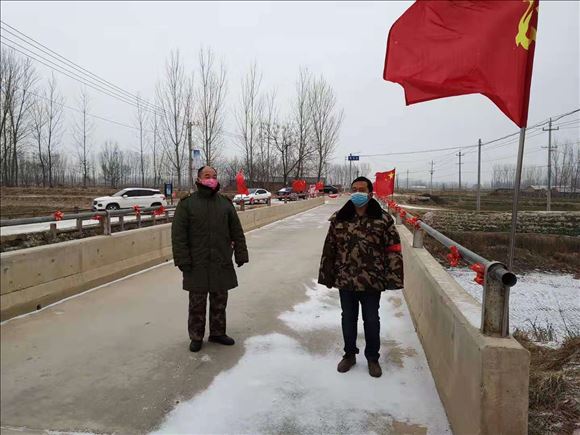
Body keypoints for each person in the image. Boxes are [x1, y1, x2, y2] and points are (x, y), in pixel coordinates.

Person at [318, 176, 404, 377]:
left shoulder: (383, 219)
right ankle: (349, 354)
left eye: (362, 189)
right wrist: (327, 276)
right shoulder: (340, 218)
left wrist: (393, 278)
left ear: (370, 193)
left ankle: (372, 358)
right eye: (355, 189)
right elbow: (329, 249)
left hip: (372, 280)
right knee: (348, 319)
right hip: (346, 279)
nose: (358, 193)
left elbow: (393, 250)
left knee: (371, 320)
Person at [172, 166, 249, 352]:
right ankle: (196, 336)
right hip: (196, 263)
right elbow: (178, 235)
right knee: (197, 303)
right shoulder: (187, 204)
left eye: (214, 176)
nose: (211, 179)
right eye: (207, 176)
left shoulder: (225, 203)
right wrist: (182, 259)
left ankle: (217, 333)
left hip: (221, 261)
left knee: (219, 301)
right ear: (198, 178)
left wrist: (241, 253)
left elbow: (236, 231)